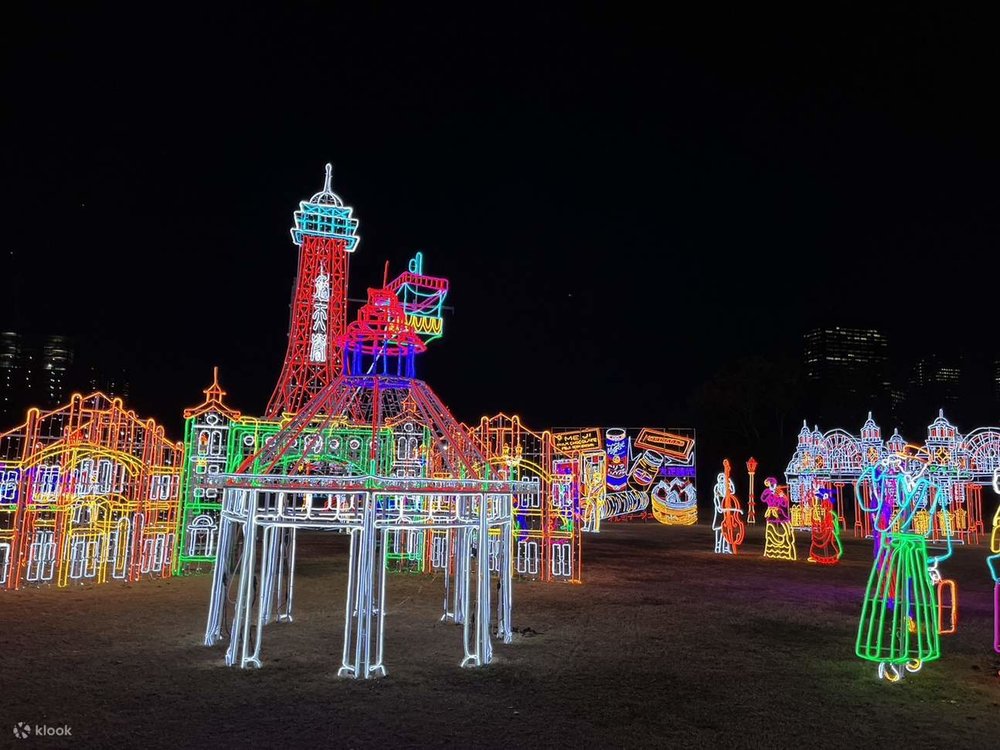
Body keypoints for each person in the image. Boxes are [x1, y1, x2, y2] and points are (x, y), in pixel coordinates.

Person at [855, 453, 952, 681]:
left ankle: (905, 629)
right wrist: (877, 479)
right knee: (894, 585)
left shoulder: (925, 488)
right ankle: (899, 634)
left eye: (899, 467)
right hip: (892, 550)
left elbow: (935, 534)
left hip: (909, 551)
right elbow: (874, 511)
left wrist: (931, 561)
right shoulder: (884, 501)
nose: (897, 470)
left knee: (906, 586)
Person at [760, 477, 795, 560]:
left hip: (779, 513)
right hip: (771, 514)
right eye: (770, 484)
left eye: (773, 484)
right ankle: (772, 551)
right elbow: (763, 499)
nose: (772, 486)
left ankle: (785, 551)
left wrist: (782, 496)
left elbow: (785, 504)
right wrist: (771, 493)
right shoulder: (767, 492)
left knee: (786, 529)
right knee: (771, 531)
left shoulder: (779, 492)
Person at [808, 487, 843, 565]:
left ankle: (834, 555)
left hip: (828, 525)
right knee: (825, 541)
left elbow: (829, 513)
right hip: (826, 525)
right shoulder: (823, 505)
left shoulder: (828, 504)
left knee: (830, 541)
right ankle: (824, 556)